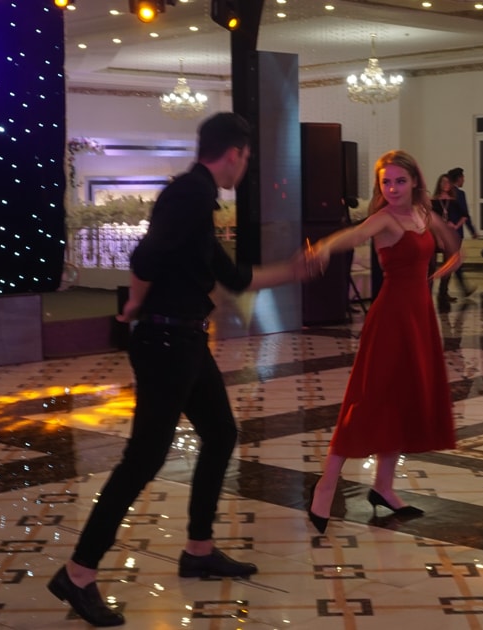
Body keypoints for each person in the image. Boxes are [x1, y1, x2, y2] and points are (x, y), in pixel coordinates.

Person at [47, 113, 316, 628]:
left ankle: (198, 549)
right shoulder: (189, 196)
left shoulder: (198, 201)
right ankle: (78, 573)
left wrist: (292, 271)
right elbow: (145, 258)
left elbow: (232, 276)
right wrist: (134, 306)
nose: (245, 166)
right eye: (246, 157)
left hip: (186, 339)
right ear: (233, 154)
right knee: (143, 458)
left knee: (220, 433)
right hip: (166, 341)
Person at [306, 150, 459, 534]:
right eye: (385, 182)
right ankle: (326, 486)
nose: (392, 188)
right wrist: (323, 247)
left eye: (399, 181)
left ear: (414, 181)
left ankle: (384, 487)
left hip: (419, 318)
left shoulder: (423, 214)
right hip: (391, 318)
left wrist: (449, 262)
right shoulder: (385, 219)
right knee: (367, 399)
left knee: (402, 399)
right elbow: (354, 234)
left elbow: (451, 242)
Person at [432, 173, 474, 303]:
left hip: (448, 236)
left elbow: (464, 215)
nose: (445, 185)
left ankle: (443, 293)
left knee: (448, 265)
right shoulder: (433, 201)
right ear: (439, 184)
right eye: (443, 182)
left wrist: (455, 226)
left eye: (447, 182)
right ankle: (427, 293)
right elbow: (429, 219)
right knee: (431, 266)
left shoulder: (453, 200)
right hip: (435, 235)